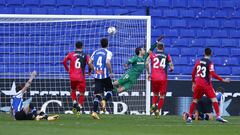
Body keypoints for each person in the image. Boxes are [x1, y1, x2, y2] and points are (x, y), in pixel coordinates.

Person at [186, 48, 230, 123]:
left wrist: (193, 82)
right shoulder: (210, 63)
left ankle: (189, 117)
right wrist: (222, 80)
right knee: (214, 100)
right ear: (211, 54)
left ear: (204, 53)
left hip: (198, 83)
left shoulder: (198, 62)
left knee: (195, 100)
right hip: (206, 84)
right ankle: (218, 116)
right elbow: (212, 74)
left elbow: (193, 73)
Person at [62, 41, 92, 116]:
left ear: (75, 46)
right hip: (81, 77)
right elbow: (89, 64)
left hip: (72, 77)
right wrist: (89, 72)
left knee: (73, 90)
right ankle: (79, 107)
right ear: (82, 46)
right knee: (82, 93)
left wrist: (67, 70)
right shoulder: (86, 55)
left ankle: (74, 102)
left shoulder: (71, 54)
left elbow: (64, 61)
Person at [146, 42, 174, 118]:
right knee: (162, 96)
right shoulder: (167, 55)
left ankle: (153, 105)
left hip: (154, 77)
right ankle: (158, 110)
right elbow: (172, 66)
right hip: (163, 78)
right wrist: (171, 69)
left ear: (157, 47)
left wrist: (149, 73)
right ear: (163, 48)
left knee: (155, 94)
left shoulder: (152, 55)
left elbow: (146, 63)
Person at [89, 38, 113, 119]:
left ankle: (94, 112)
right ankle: (104, 100)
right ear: (107, 44)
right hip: (105, 76)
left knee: (98, 95)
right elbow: (107, 62)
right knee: (110, 90)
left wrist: (94, 70)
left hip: (97, 76)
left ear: (100, 44)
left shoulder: (95, 52)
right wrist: (110, 71)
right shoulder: (108, 52)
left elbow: (89, 62)